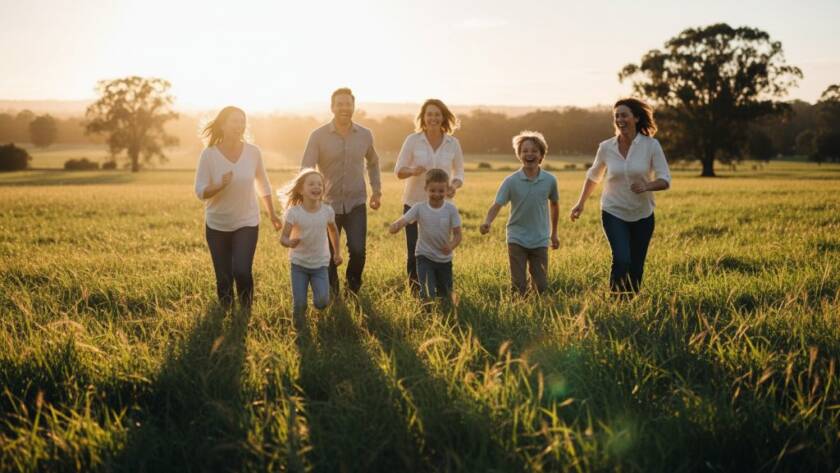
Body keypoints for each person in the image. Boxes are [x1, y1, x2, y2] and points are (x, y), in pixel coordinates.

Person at [569, 98, 671, 295]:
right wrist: (580, 203)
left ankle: (629, 304)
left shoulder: (651, 145)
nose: (619, 119)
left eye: (624, 115)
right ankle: (615, 301)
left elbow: (665, 179)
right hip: (613, 211)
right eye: (616, 116)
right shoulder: (606, 147)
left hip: (643, 214)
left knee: (636, 266)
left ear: (636, 118)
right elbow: (593, 176)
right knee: (622, 258)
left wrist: (647, 185)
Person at [194, 106, 282, 309]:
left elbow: (263, 184)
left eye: (242, 121)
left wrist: (272, 213)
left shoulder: (253, 152)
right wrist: (218, 185)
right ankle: (225, 315)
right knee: (223, 278)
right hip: (217, 225)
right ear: (223, 125)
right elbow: (200, 191)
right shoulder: (209, 155)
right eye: (234, 121)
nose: (239, 125)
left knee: (242, 270)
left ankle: (245, 313)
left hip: (247, 222)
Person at [301, 87, 381, 294]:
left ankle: (352, 289)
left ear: (353, 106)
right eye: (340, 104)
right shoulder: (317, 136)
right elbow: (306, 168)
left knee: (358, 250)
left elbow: (373, 162)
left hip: (356, 202)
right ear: (332, 107)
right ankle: (333, 292)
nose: (344, 108)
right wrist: (307, 197)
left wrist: (377, 191)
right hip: (326, 205)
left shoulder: (365, 135)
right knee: (327, 253)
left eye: (348, 104)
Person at [394, 99, 464, 291]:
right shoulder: (413, 140)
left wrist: (454, 185)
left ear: (443, 117)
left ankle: (442, 289)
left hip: (441, 207)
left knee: (441, 249)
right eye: (429, 114)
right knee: (414, 251)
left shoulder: (452, 143)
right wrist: (412, 170)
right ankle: (416, 292)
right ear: (423, 117)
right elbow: (399, 170)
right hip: (414, 203)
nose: (433, 118)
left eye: (437, 114)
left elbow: (459, 172)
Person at [480, 131, 559, 295]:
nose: (529, 154)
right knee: (518, 285)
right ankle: (518, 311)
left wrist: (554, 234)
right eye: (525, 151)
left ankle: (536, 312)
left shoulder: (550, 180)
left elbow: (555, 205)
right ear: (519, 155)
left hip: (540, 238)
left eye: (534, 151)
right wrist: (487, 221)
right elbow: (497, 204)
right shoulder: (511, 181)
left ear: (541, 155)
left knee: (541, 286)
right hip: (517, 237)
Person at [278, 169, 343, 324]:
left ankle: (316, 302)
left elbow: (333, 231)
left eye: (319, 184)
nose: (316, 187)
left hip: (320, 264)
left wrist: (337, 253)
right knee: (299, 305)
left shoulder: (327, 211)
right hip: (298, 264)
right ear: (301, 189)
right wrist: (288, 242)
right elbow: (283, 238)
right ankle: (299, 328)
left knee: (322, 302)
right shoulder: (294, 213)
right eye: (311, 184)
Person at [389, 169, 462, 301]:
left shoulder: (451, 210)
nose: (437, 194)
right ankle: (427, 313)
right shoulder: (419, 208)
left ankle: (445, 313)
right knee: (427, 291)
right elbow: (404, 220)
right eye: (432, 190)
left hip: (444, 260)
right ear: (426, 189)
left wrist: (451, 245)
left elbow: (458, 235)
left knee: (444, 294)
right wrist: (396, 225)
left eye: (441, 191)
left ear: (447, 191)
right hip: (424, 256)